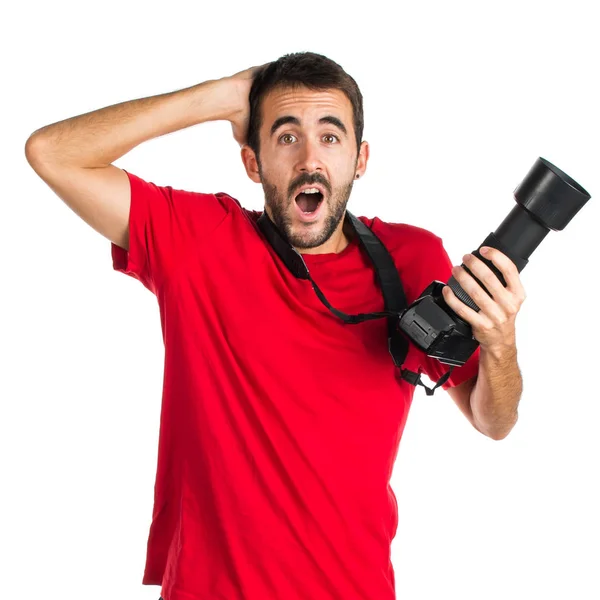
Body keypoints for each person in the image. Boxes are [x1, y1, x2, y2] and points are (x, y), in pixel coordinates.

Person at [25, 52, 525, 600]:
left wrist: (500, 344)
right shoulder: (199, 241)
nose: (311, 160)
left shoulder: (411, 258)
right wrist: (216, 98)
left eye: (330, 138)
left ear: (360, 160)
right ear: (252, 161)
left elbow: (493, 419)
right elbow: (52, 154)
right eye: (286, 137)